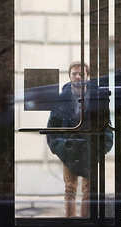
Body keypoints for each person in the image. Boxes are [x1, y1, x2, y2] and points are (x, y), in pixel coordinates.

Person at [46, 61, 113, 218]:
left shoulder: (98, 98)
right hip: (69, 149)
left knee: (89, 189)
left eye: (81, 74)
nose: (77, 77)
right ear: (69, 76)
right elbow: (52, 127)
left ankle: (85, 222)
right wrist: (61, 147)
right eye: (74, 74)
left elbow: (106, 125)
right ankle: (70, 222)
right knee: (70, 188)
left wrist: (100, 148)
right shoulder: (61, 99)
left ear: (87, 77)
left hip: (90, 148)